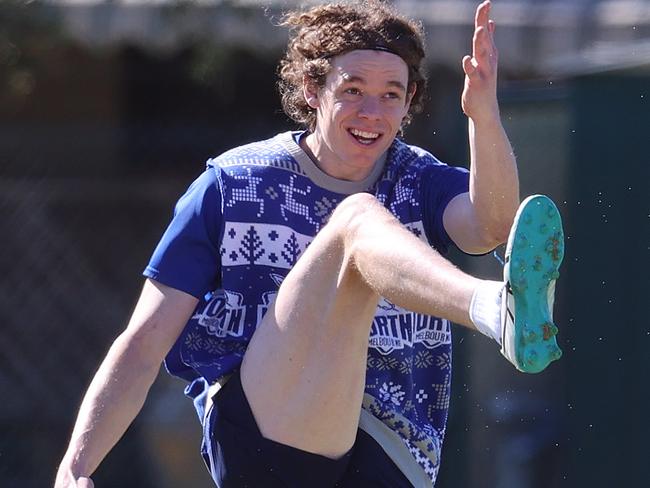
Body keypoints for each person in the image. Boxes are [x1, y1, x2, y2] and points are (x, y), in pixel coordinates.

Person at [55, 1, 564, 487]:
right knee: (357, 222)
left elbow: (493, 226)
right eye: (353, 89)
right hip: (266, 437)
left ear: (410, 103)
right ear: (311, 89)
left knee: (363, 233)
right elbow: (144, 343)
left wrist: (484, 116)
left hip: (393, 449)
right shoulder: (233, 184)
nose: (372, 111)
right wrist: (76, 464)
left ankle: (502, 309)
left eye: (391, 93)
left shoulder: (420, 179)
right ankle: (497, 309)